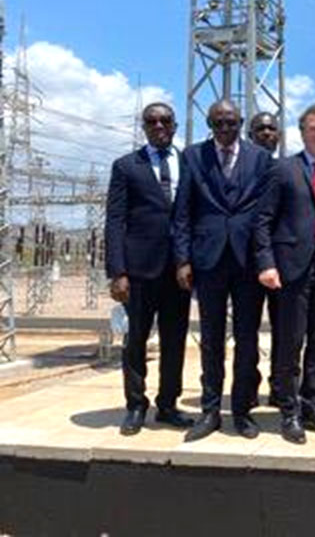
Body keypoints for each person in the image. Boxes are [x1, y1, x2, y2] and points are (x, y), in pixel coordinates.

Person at [255, 102, 315, 445]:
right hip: (291, 270)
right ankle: (289, 411)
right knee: (290, 341)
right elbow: (263, 220)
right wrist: (266, 263)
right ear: (302, 132)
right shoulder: (284, 170)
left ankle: (312, 405)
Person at [174, 99, 271, 442]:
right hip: (208, 260)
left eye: (231, 122)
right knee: (211, 338)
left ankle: (242, 411)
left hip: (247, 260)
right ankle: (210, 410)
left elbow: (266, 212)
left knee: (247, 339)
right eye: (219, 123)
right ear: (209, 125)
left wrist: (267, 260)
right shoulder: (193, 156)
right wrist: (182, 259)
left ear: (241, 123)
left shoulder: (260, 158)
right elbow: (183, 211)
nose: (226, 129)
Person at [105, 102, 193, 435]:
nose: (158, 126)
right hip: (138, 270)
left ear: (174, 125)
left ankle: (168, 404)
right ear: (143, 127)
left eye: (165, 121)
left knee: (175, 340)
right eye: (151, 121)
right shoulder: (127, 166)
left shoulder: (189, 162)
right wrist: (118, 271)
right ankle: (136, 405)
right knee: (136, 341)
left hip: (179, 271)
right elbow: (115, 220)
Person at [248, 111, 284, 408]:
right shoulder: (240, 169)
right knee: (247, 330)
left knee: (284, 330)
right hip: (245, 262)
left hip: (280, 263)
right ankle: (248, 388)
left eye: (272, 129)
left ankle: (280, 388)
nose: (267, 133)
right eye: (260, 129)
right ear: (250, 135)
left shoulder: (287, 170)